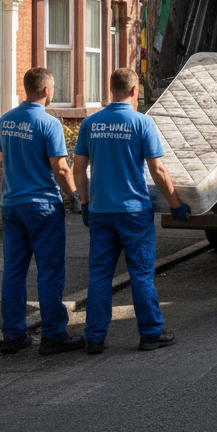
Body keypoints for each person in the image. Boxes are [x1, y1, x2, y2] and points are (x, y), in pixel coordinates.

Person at [74, 68, 190, 353]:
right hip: (134, 212)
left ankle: (94, 338)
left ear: (110, 89)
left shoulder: (90, 123)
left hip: (101, 211)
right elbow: (157, 170)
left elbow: (78, 169)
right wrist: (175, 202)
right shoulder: (142, 123)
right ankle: (150, 334)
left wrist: (85, 203)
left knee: (100, 275)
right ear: (135, 90)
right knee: (140, 274)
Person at [0, 67, 85, 355]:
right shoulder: (49, 124)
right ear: (46, 90)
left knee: (13, 271)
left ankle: (13, 335)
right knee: (49, 271)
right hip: (42, 207)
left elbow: (4, 158)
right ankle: (54, 335)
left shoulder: (5, 121)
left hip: (11, 204)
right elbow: (61, 168)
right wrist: (76, 195)